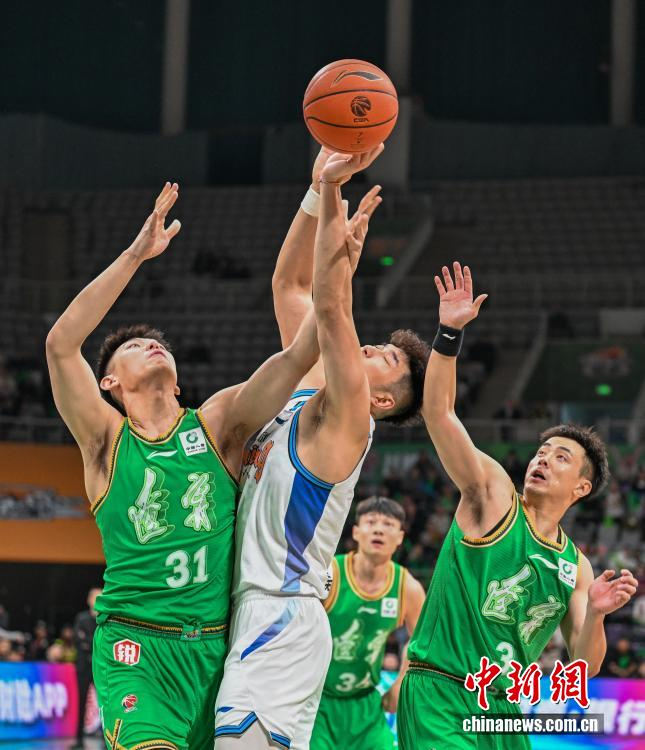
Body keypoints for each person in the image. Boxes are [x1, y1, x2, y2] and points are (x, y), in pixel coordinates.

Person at [46, 183, 321, 750]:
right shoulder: (105, 441)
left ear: (178, 380)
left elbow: (298, 356)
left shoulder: (217, 424)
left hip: (219, 652)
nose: (153, 345)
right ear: (108, 382)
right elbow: (61, 344)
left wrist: (333, 237)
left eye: (159, 344)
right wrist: (136, 255)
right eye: (135, 347)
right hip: (137, 649)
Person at [215, 147, 430, 749]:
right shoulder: (307, 388)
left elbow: (332, 305)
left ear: (381, 400)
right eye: (378, 345)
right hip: (246, 607)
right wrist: (315, 191)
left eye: (386, 359)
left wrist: (336, 195)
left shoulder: (350, 423)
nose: (370, 349)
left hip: (282, 614)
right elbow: (289, 285)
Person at [396, 261, 639, 749]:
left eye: (561, 457)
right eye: (541, 451)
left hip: (501, 709)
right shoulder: (493, 496)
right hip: (440, 690)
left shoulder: (576, 566)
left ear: (581, 489)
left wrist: (596, 614)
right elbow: (439, 414)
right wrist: (449, 333)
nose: (542, 459)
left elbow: (586, 664)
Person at [310, 496, 425, 750]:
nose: (379, 529)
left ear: (400, 537)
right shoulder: (330, 573)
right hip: (317, 701)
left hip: (366, 705)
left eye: (388, 524)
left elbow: (422, 641)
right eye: (371, 522)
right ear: (356, 532)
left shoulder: (407, 587)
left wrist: (401, 682)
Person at [71, 587, 102, 750]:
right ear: (89, 600)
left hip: (100, 667)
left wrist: (88, 642)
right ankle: (79, 739)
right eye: (95, 598)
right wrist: (93, 643)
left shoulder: (104, 620)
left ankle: (107, 738)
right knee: (81, 701)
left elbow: (103, 642)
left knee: (104, 702)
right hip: (83, 667)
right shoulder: (81, 618)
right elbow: (78, 639)